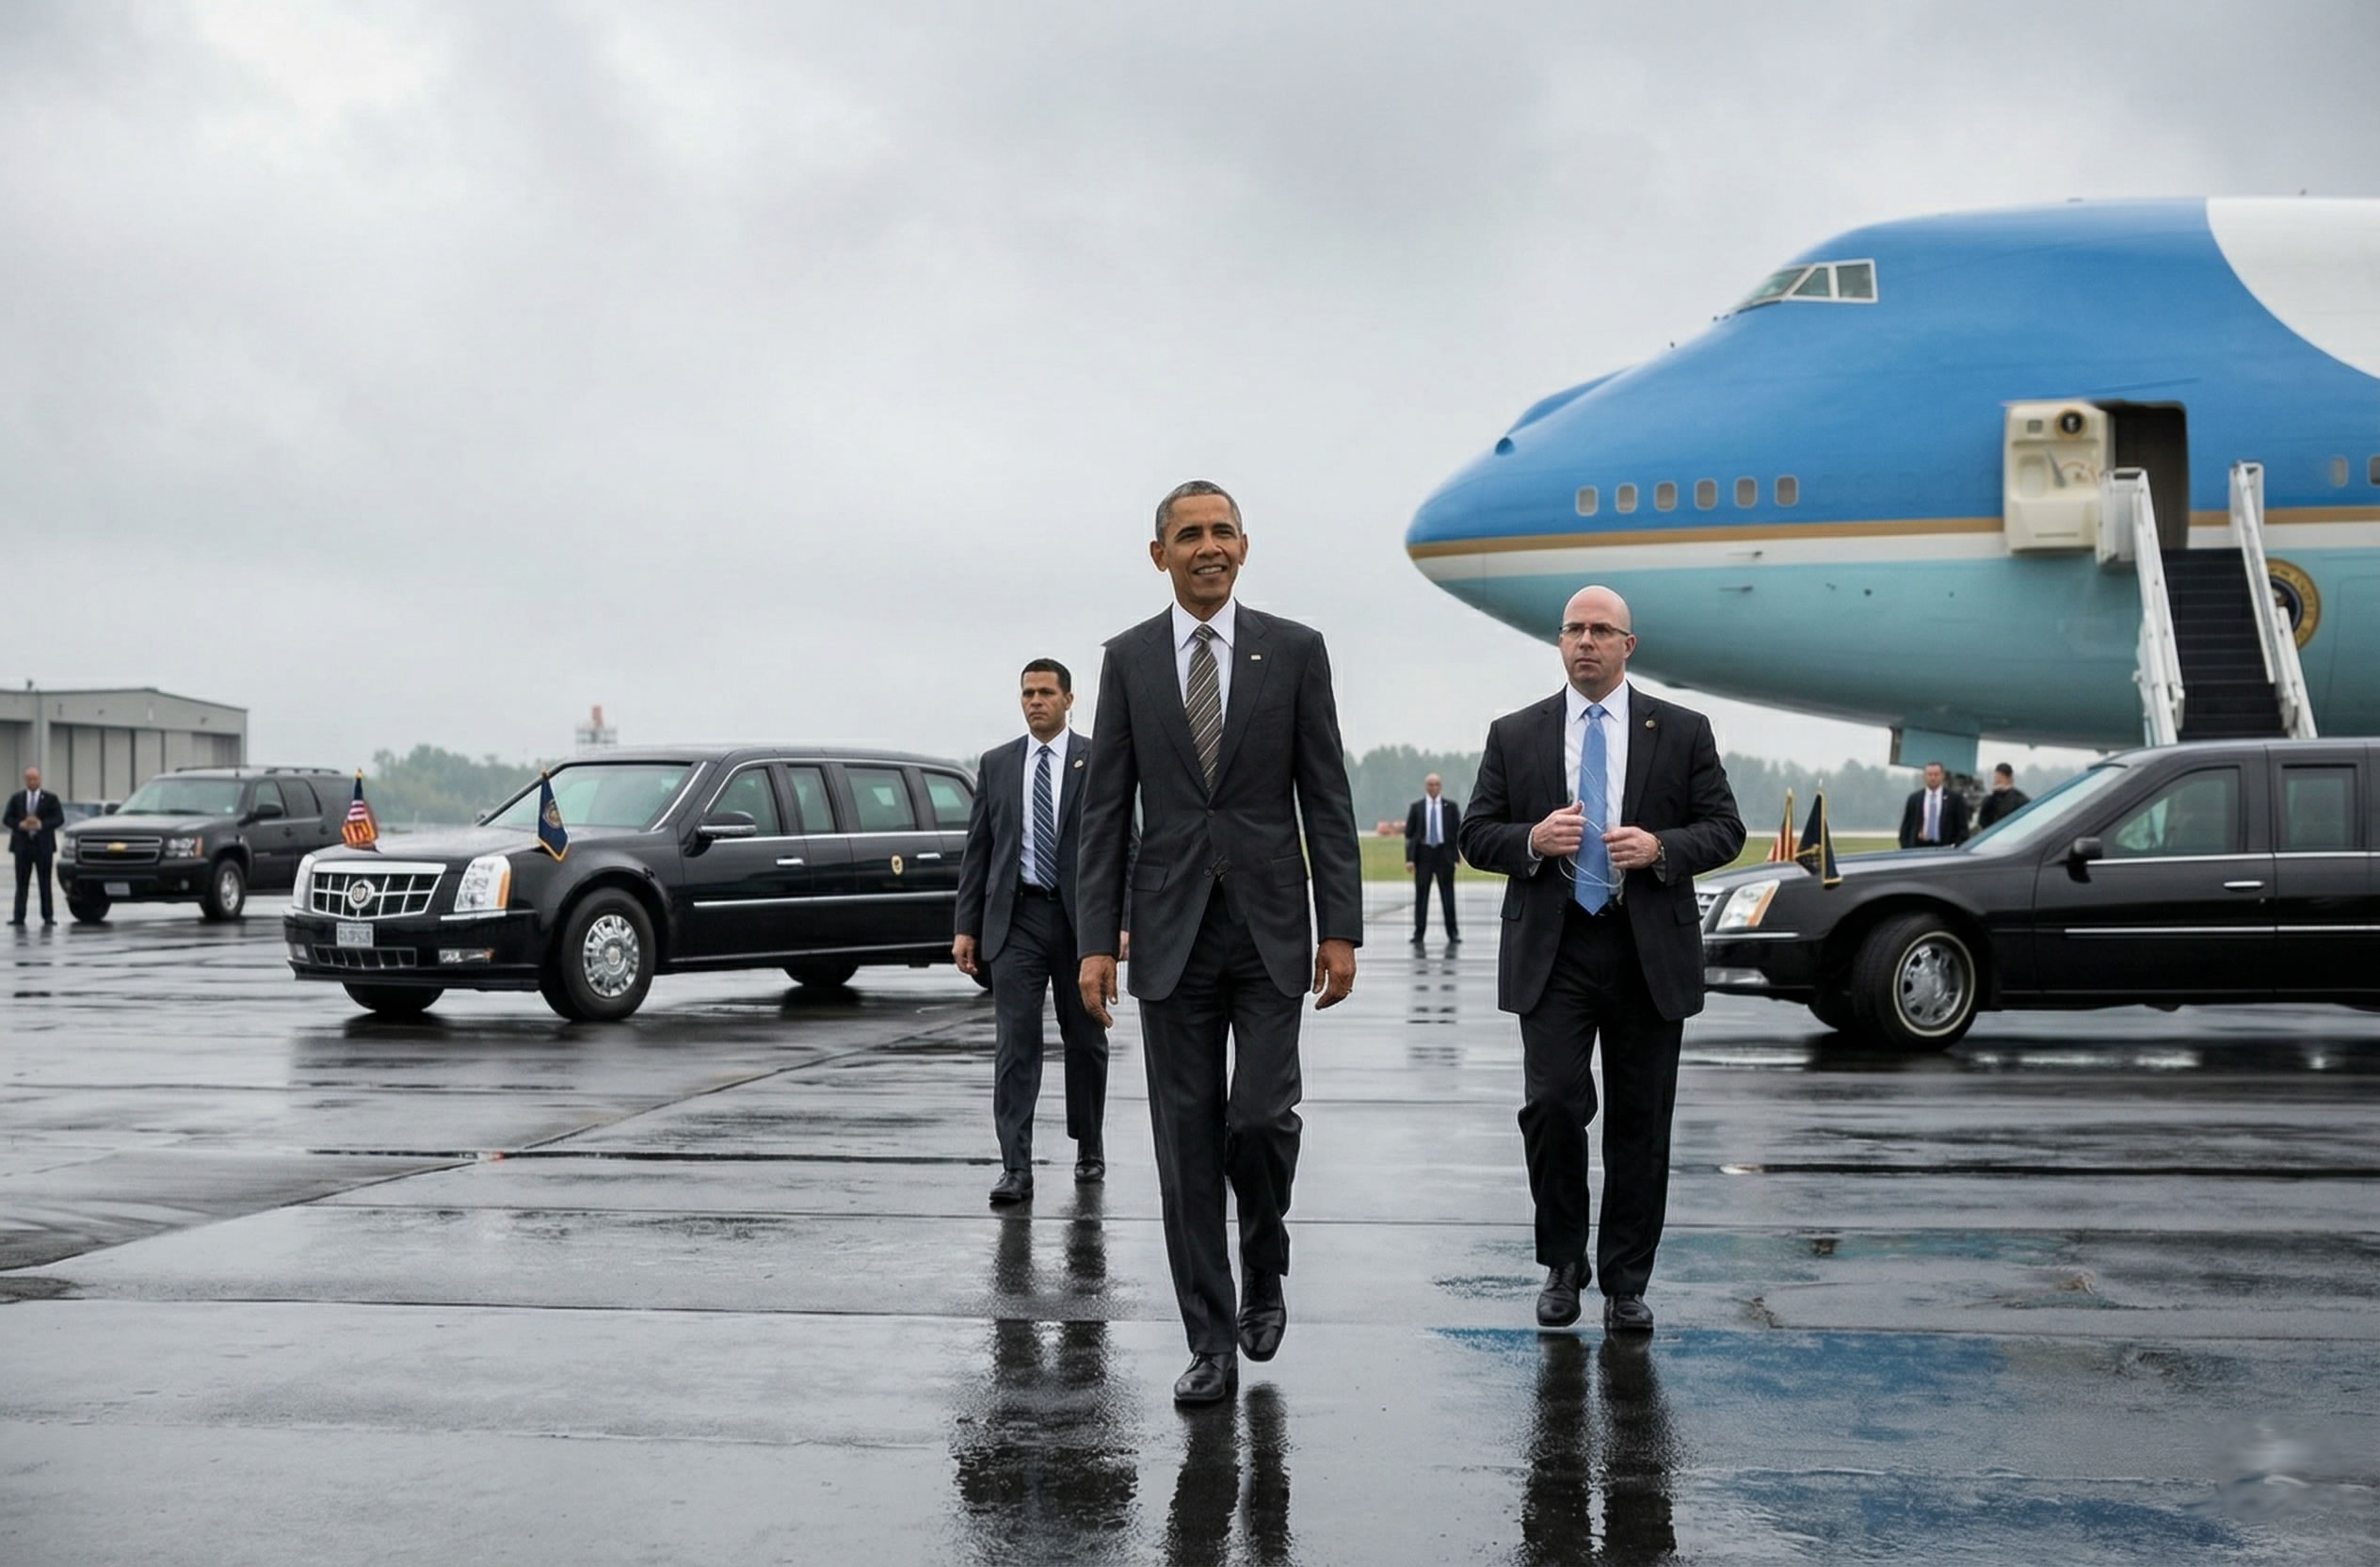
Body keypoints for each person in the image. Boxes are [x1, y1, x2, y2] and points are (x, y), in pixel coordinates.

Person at [1076, 478, 1364, 1406]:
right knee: (1185, 1144)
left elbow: (1326, 796)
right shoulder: (1127, 660)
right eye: (1190, 534)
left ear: (1244, 546)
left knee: (1261, 1119)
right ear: (1158, 553)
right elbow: (1104, 810)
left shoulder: (1295, 651)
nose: (1209, 546)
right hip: (1169, 936)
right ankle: (1208, 1339)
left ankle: (1263, 1262)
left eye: (1223, 531)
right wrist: (1094, 939)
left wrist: (1340, 927)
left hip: (1271, 928)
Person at [1457, 585, 1743, 1335]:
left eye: (1600, 630)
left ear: (1627, 645)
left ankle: (1625, 1282)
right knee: (1552, 1106)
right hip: (1555, 948)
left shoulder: (1681, 730)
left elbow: (1725, 829)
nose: (1585, 641)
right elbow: (1476, 833)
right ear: (1560, 643)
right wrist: (1530, 839)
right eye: (1573, 630)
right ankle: (1562, 1263)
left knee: (1639, 1125)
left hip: (1645, 946)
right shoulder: (1515, 733)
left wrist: (1661, 848)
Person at [954, 658, 1123, 1206]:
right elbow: (979, 850)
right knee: (1016, 1044)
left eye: (1046, 693)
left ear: (1068, 700)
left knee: (1086, 1039)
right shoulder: (998, 764)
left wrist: (1121, 922)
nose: (1035, 702)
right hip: (1017, 920)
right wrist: (966, 927)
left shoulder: (1098, 759)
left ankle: (1089, 1145)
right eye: (1028, 693)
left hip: (1081, 923)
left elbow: (1125, 843)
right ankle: (1015, 1165)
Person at [1403, 774, 1463, 946]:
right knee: (1421, 896)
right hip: (1424, 855)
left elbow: (1457, 832)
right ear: (1425, 786)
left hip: (1444, 855)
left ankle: (1452, 933)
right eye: (1430, 784)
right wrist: (1410, 859)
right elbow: (1409, 835)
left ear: (1440, 786)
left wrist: (1458, 854)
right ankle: (1419, 933)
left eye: (1436, 784)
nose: (1433, 787)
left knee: (1448, 896)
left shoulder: (1451, 807)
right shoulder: (1417, 807)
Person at [8, 766, 64, 928]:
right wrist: (20, 824)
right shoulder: (17, 798)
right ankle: (18, 916)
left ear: (39, 779)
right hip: (22, 847)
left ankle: (48, 916)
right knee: (21, 883)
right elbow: (7, 818)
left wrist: (41, 824)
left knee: (45, 882)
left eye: (35, 778)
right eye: (29, 779)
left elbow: (59, 819)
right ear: (25, 780)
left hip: (43, 847)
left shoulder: (51, 798)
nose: (32, 781)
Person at [1898, 761, 1970, 848]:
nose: (1933, 778)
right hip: (1919, 848)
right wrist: (1907, 847)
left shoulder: (1955, 799)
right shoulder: (1914, 799)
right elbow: (1905, 828)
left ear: (1942, 776)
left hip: (1945, 848)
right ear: (1924, 776)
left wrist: (1955, 847)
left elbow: (1963, 829)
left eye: (1936, 774)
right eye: (1929, 774)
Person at [1976, 763, 2030, 830]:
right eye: (1996, 778)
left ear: (2010, 779)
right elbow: (1982, 821)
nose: (1996, 782)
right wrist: (1995, 794)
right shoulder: (1991, 800)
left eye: (2000, 779)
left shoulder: (2020, 799)